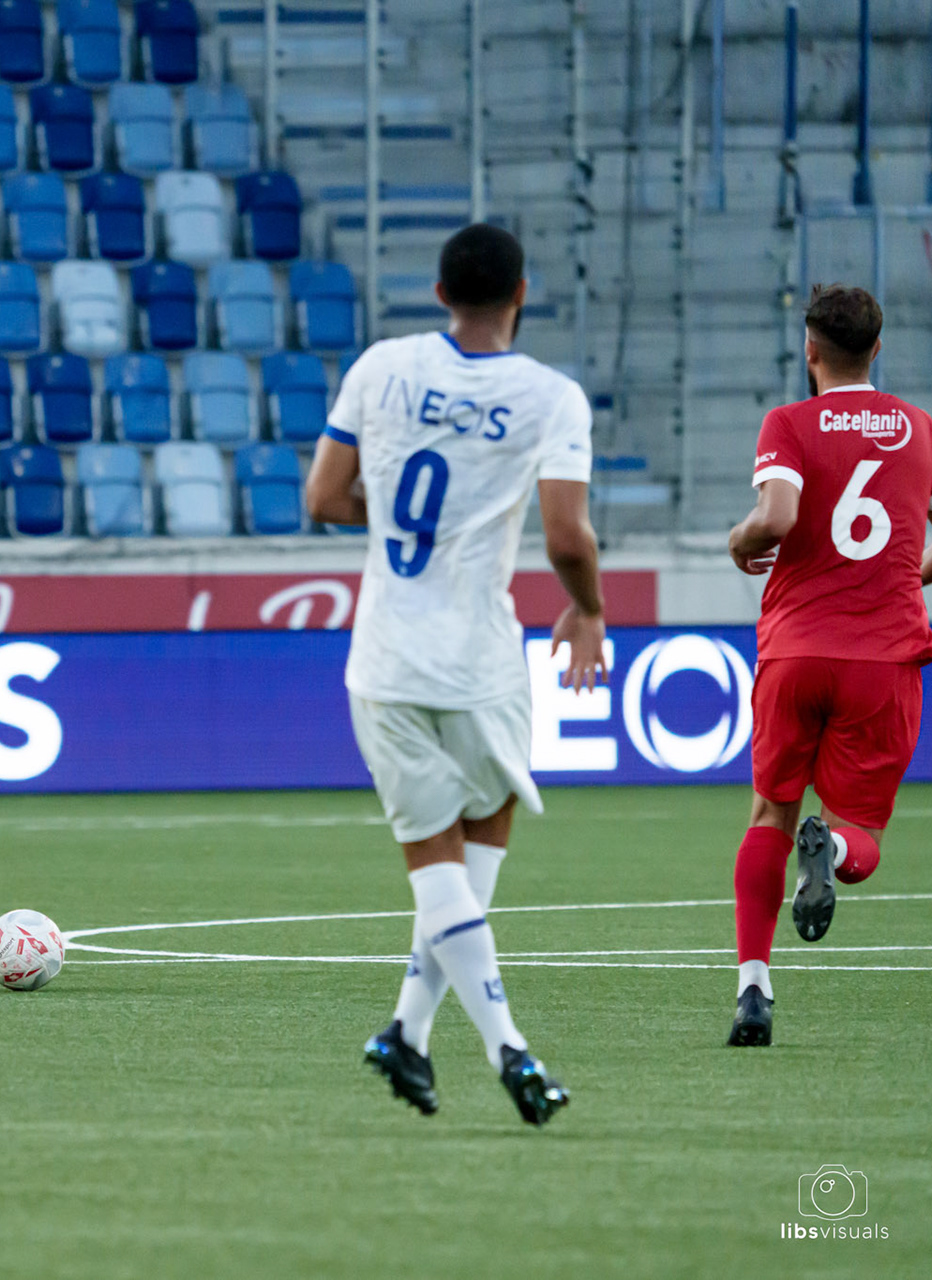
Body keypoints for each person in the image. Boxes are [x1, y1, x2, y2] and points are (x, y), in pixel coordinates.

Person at [304, 223, 606, 1126]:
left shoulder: (380, 367)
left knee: (437, 869)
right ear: (523, 295)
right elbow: (564, 538)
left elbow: (322, 497)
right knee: (470, 855)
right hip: (480, 661)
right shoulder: (552, 398)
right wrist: (588, 608)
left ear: (439, 294)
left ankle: (407, 1030)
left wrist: (403, 520)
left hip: (385, 658)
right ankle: (508, 1046)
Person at [723, 284, 932, 1047]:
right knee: (859, 828)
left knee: (770, 813)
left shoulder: (789, 423)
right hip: (883, 657)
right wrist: (897, 580)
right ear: (878, 348)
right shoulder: (918, 429)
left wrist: (741, 542)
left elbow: (778, 517)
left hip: (796, 651)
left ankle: (754, 988)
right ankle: (828, 852)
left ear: (810, 351)